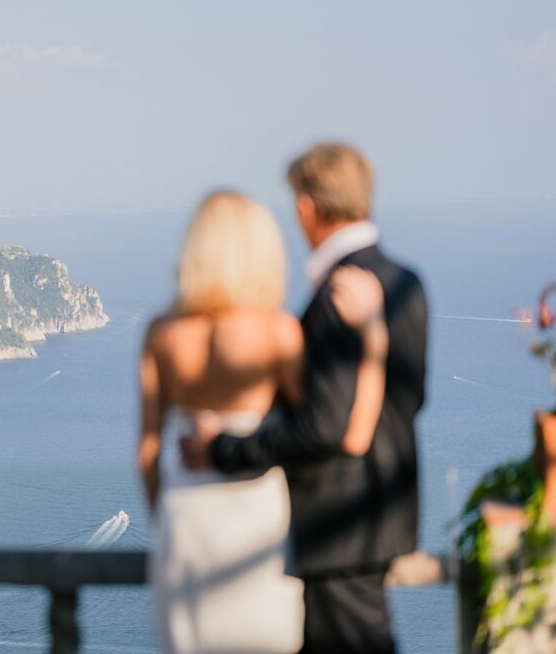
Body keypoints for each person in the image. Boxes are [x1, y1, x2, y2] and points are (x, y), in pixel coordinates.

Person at [181, 144, 428, 654]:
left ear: (306, 208)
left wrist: (225, 448)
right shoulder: (407, 283)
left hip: (339, 525)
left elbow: (326, 427)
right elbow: (412, 399)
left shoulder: (340, 295)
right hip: (385, 513)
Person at [139, 190, 390, 654]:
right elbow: (322, 428)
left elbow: (148, 455)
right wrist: (373, 340)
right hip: (257, 526)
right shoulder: (277, 333)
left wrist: (170, 523)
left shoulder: (161, 334)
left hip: (184, 525)